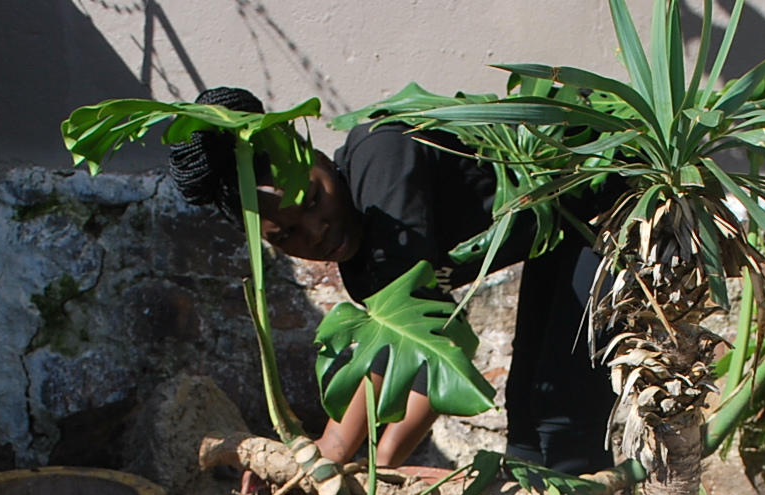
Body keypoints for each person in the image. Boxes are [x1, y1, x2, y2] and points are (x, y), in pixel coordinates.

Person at [169, 87, 617, 474]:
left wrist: (338, 454)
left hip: (616, 194)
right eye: (285, 235)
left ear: (319, 158)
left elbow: (427, 348)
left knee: (562, 417)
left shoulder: (380, 158)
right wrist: (378, 471)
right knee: (526, 418)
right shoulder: (361, 267)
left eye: (312, 202)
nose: (315, 231)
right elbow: (426, 363)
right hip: (559, 230)